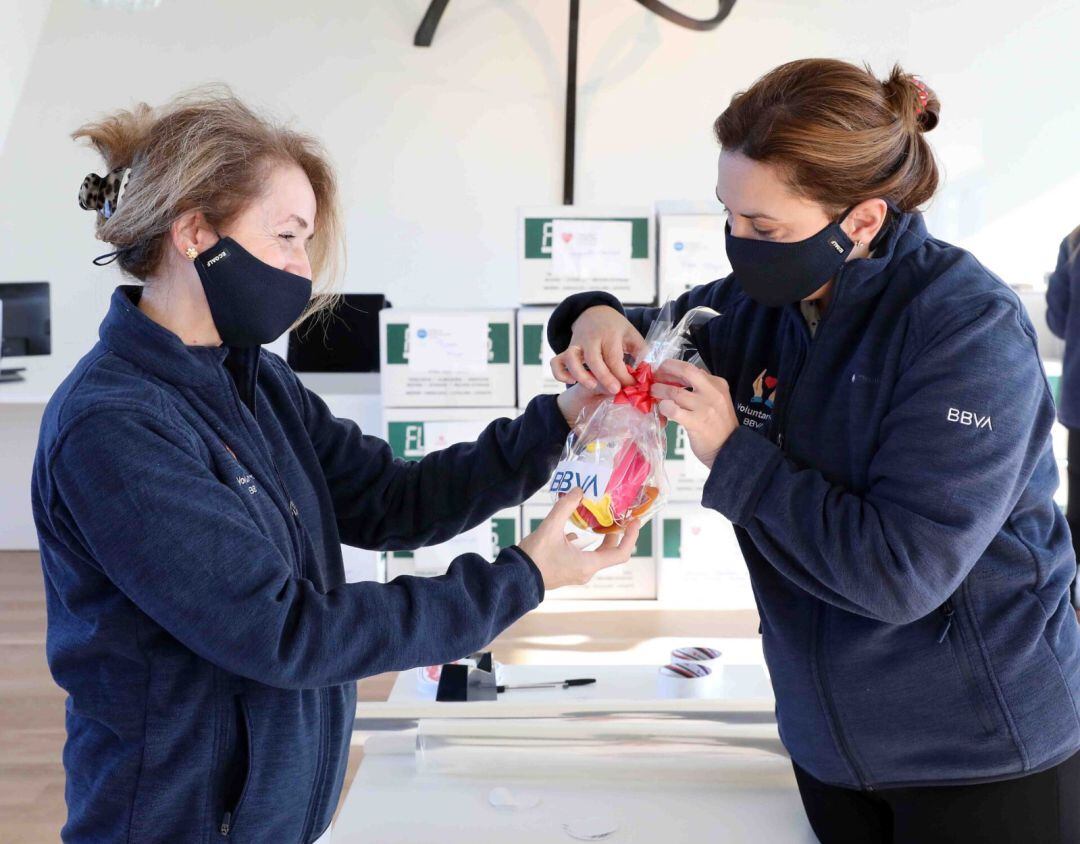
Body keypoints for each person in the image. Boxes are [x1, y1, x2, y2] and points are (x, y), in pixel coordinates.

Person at [32, 90, 638, 843]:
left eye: (306, 242)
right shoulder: (113, 427)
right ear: (193, 233)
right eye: (287, 237)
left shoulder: (256, 380)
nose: (302, 270)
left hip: (271, 814)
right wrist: (525, 575)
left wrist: (557, 422)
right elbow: (287, 635)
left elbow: (392, 500)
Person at [547, 59, 1080, 843]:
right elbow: (652, 327)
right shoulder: (759, 305)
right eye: (729, 216)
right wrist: (590, 316)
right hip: (827, 747)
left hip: (981, 754)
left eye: (765, 230)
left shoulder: (965, 329)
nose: (739, 245)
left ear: (862, 221)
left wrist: (733, 455)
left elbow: (902, 575)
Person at [1045, 224, 1080, 610]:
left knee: (1077, 515)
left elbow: (1057, 321)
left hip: (1078, 401)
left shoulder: (1073, 243)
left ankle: (1067, 611)